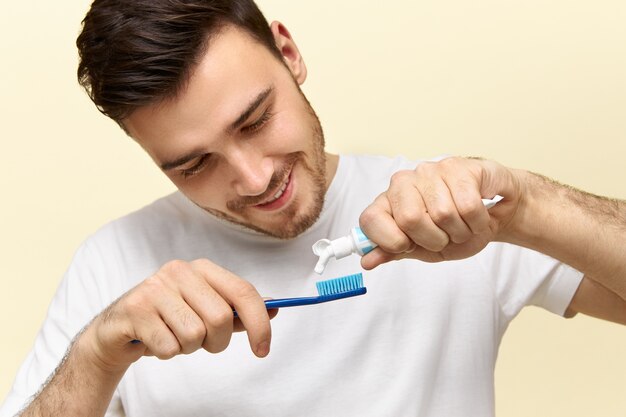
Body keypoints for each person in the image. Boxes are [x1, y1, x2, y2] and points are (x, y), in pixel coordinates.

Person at [1, 0, 624, 416]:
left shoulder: (451, 208)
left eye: (256, 120)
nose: (254, 179)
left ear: (289, 53)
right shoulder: (114, 265)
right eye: (194, 165)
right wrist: (99, 354)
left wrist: (524, 207)